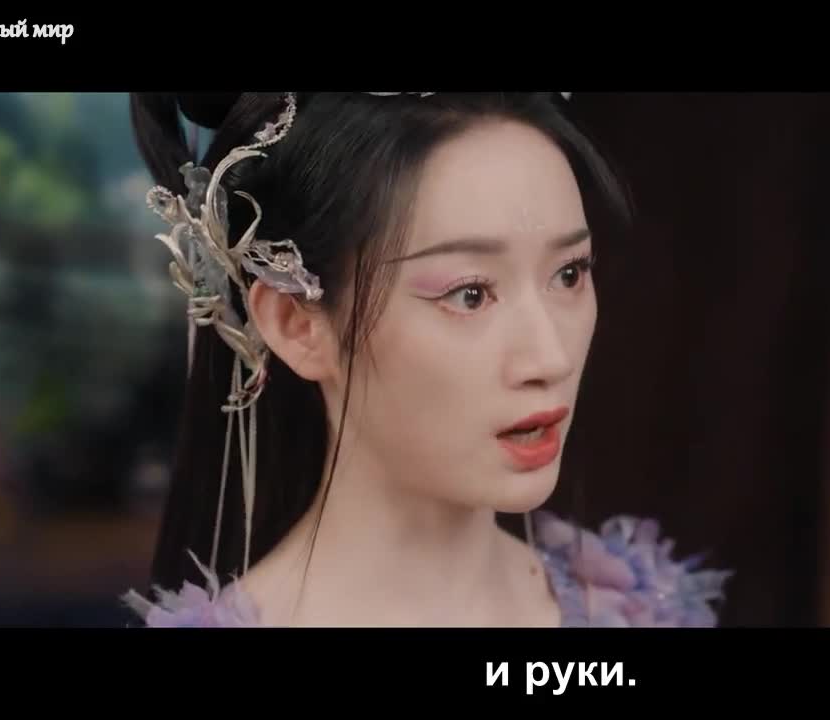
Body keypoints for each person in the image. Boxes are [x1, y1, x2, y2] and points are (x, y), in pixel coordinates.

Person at [121, 92, 732, 627]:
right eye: (471, 294)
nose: (550, 358)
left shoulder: (640, 610)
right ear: (298, 325)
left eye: (569, 274)